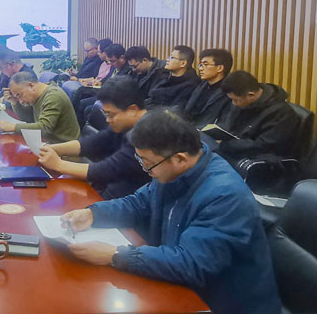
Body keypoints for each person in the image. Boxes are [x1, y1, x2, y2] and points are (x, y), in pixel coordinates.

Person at [60, 109, 281, 314]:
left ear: (180, 159)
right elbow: (138, 203)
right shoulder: (175, 172)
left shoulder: (224, 195)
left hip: (222, 303)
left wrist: (115, 255)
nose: (146, 170)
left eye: (148, 163)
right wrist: (93, 214)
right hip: (186, 287)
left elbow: (191, 264)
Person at [37, 77, 150, 199]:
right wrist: (51, 148)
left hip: (124, 200)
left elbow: (107, 169)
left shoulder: (148, 135)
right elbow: (94, 143)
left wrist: (58, 164)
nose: (108, 120)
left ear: (132, 109)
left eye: (111, 115)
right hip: (107, 189)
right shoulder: (126, 125)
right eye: (105, 114)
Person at [217, 70, 300, 162]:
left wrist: (227, 145)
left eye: (236, 100)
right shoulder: (244, 102)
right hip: (235, 149)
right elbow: (231, 126)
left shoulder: (282, 113)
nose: (234, 103)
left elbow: (264, 145)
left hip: (259, 158)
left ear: (251, 95)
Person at [0, 71, 80, 143]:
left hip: (63, 150)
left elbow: (44, 128)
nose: (21, 101)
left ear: (31, 86)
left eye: (19, 95)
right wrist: (14, 102)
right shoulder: (38, 95)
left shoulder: (53, 96)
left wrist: (13, 127)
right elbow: (28, 119)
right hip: (48, 143)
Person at [182, 49, 233, 128]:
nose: (200, 68)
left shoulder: (229, 92)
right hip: (187, 128)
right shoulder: (201, 85)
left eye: (205, 64)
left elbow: (223, 124)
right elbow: (187, 110)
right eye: (200, 65)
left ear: (220, 68)